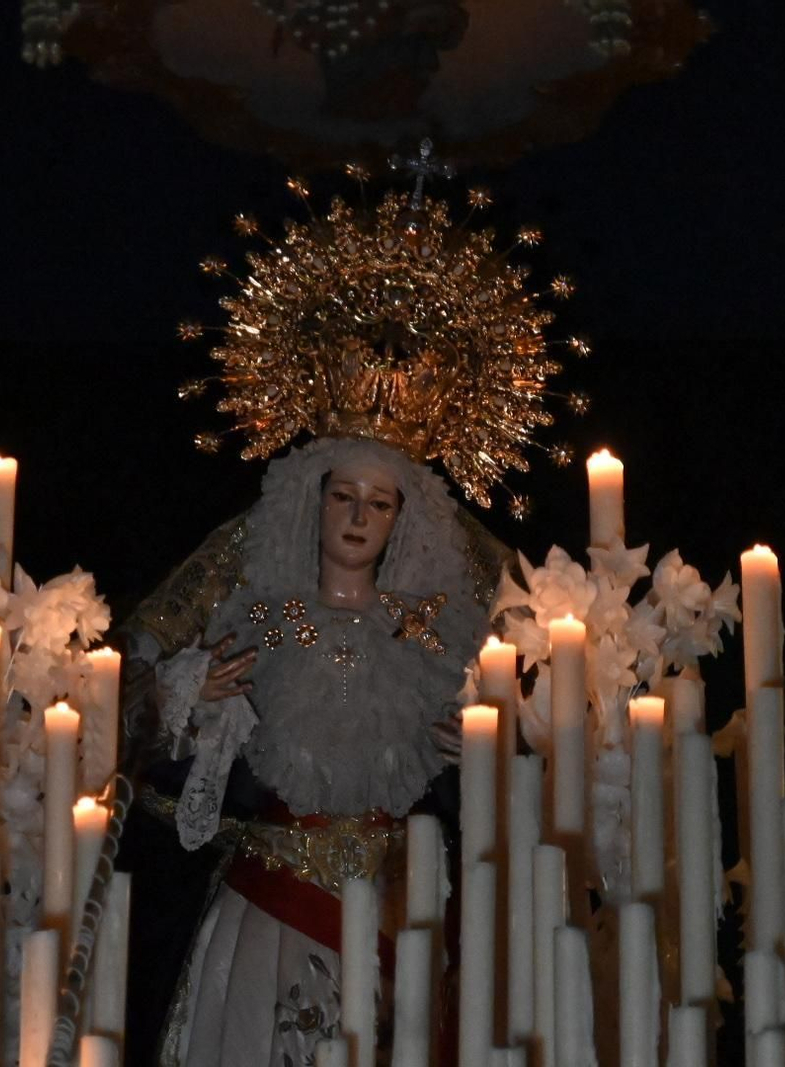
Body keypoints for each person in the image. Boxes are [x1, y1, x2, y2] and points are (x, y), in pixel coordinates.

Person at [120, 433, 509, 1067]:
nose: (359, 519)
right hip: (273, 894)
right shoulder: (258, 625)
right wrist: (186, 700)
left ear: (403, 518)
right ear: (313, 500)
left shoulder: (435, 644)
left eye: (380, 504)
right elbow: (175, 763)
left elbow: (476, 782)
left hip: (397, 907)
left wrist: (486, 754)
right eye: (344, 497)